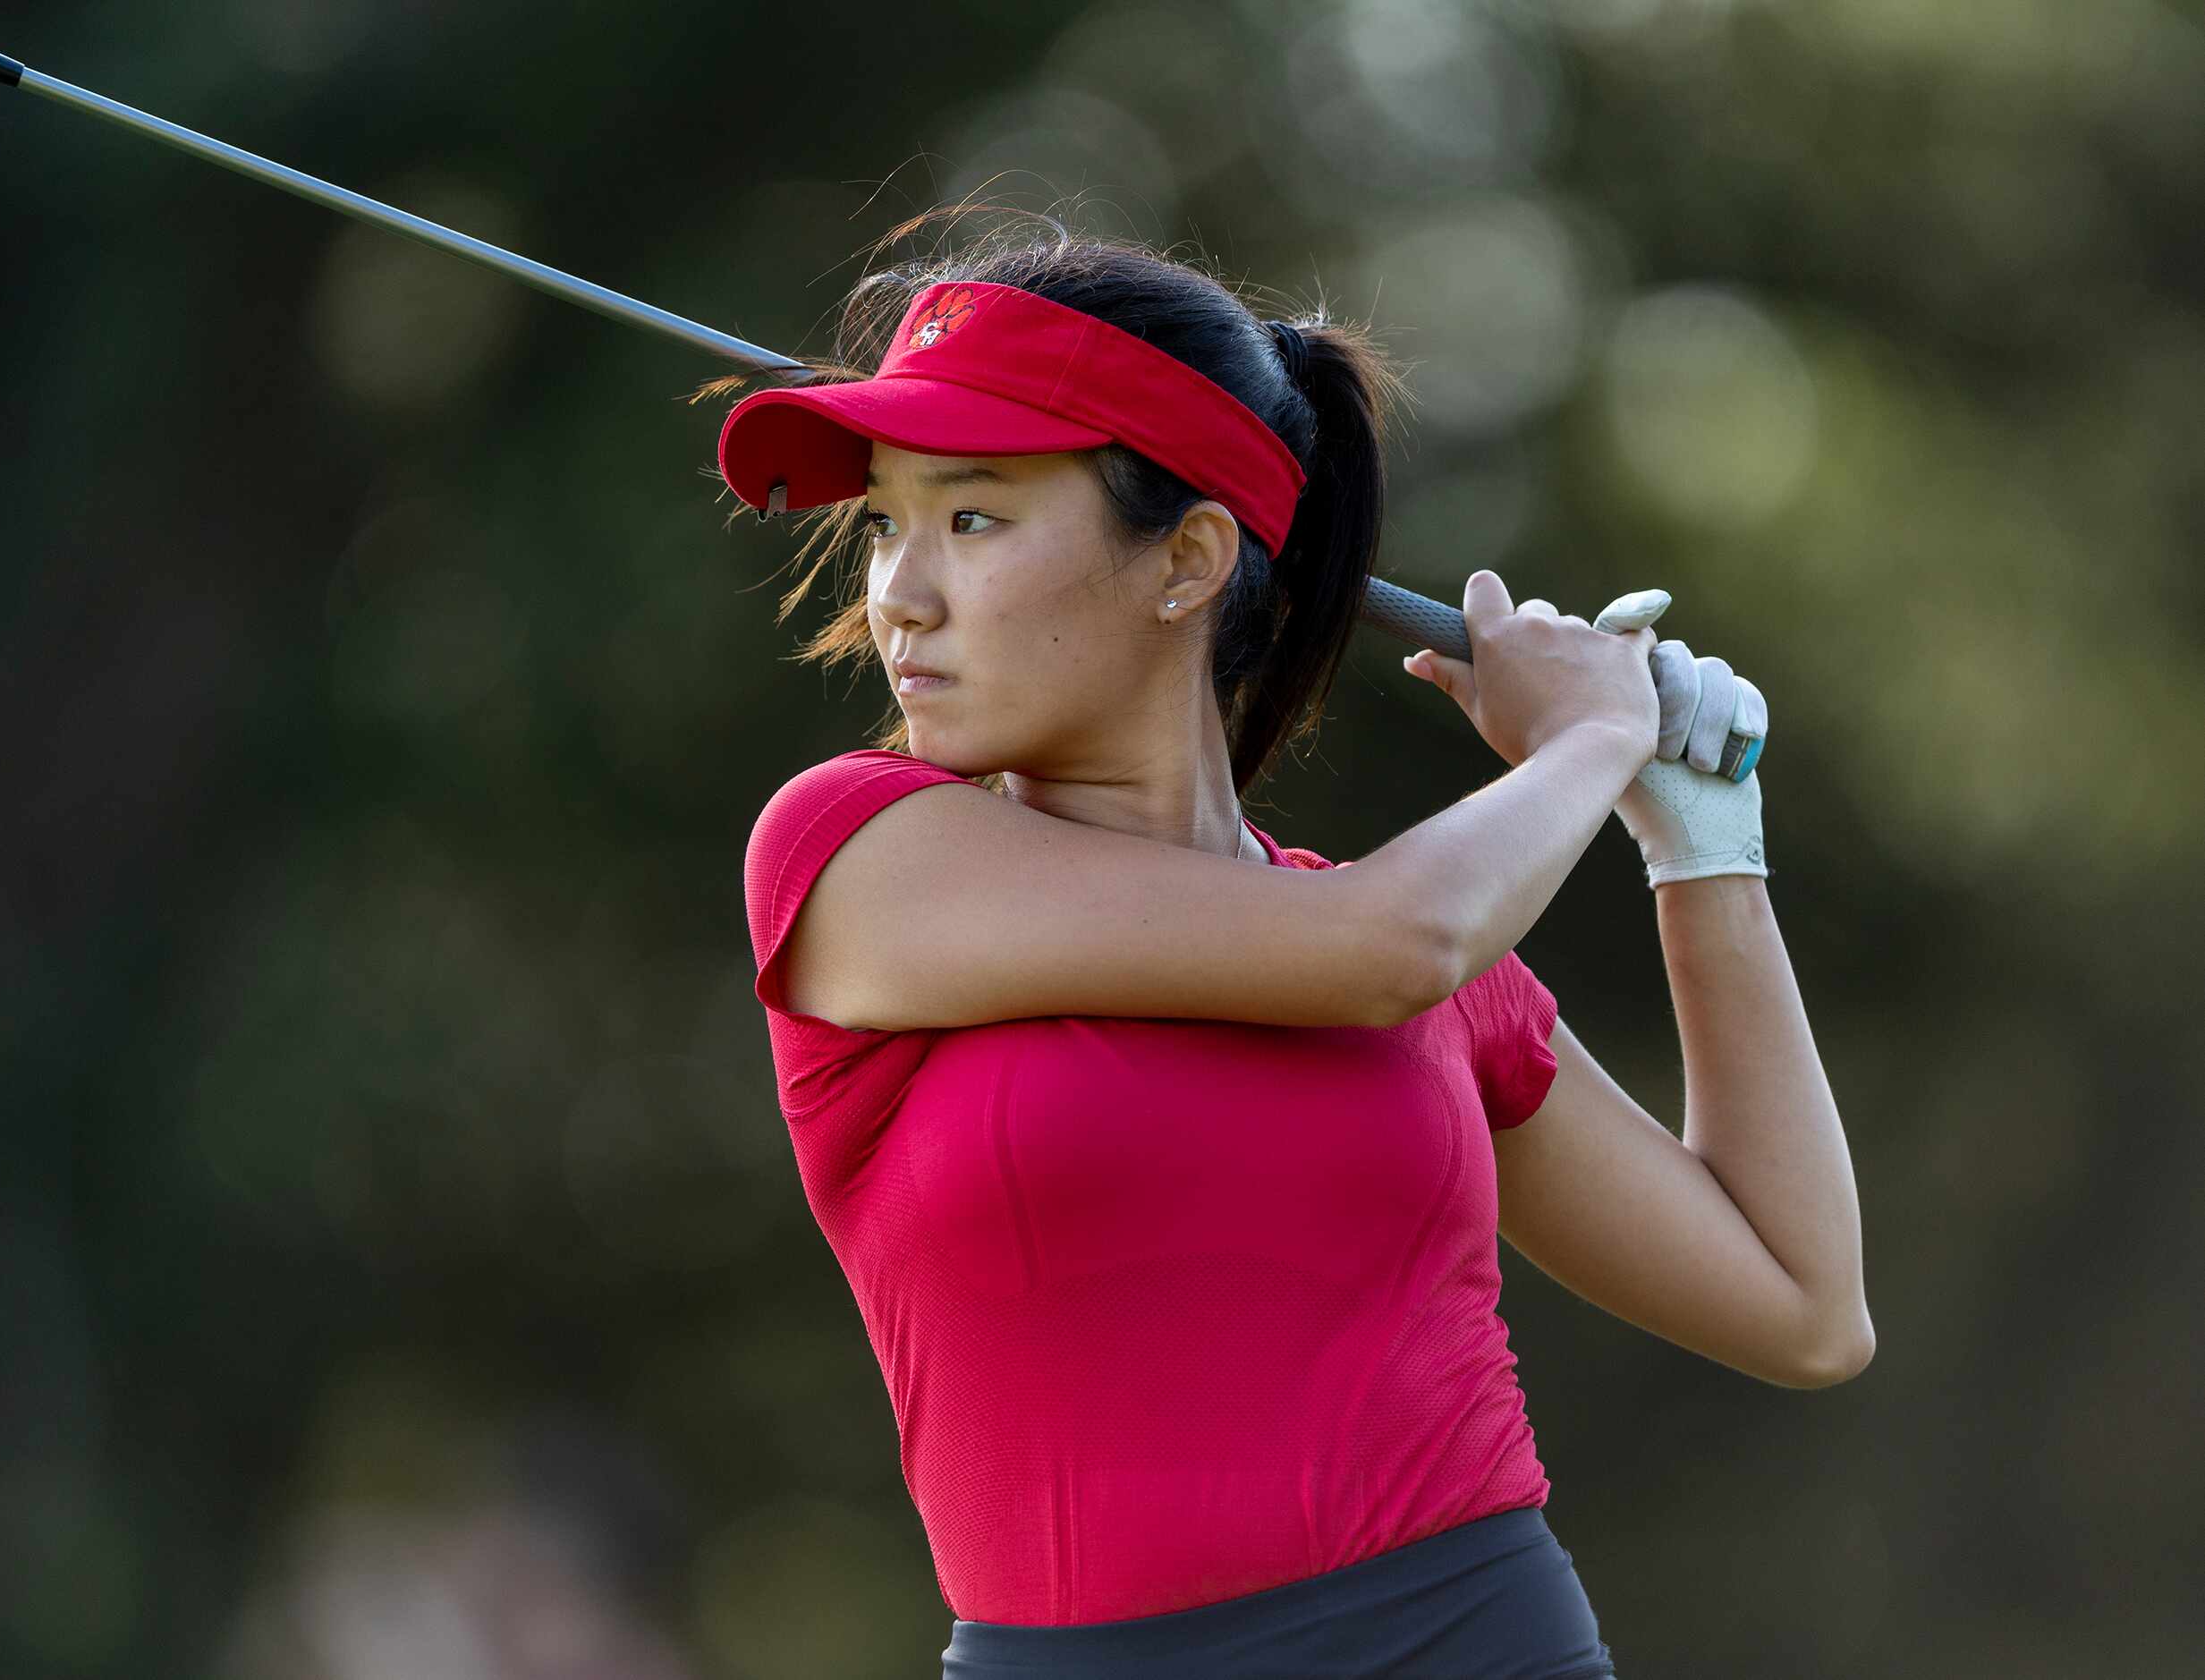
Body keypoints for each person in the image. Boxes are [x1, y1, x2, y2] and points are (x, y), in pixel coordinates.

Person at [710, 212, 1871, 1678]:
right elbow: (1392, 939)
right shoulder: (861, 856)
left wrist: (1701, 847)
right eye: (885, 518)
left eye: (975, 515)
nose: (899, 593)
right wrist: (1586, 737)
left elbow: (1800, 1304)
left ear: (1188, 558)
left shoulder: (1427, 968)